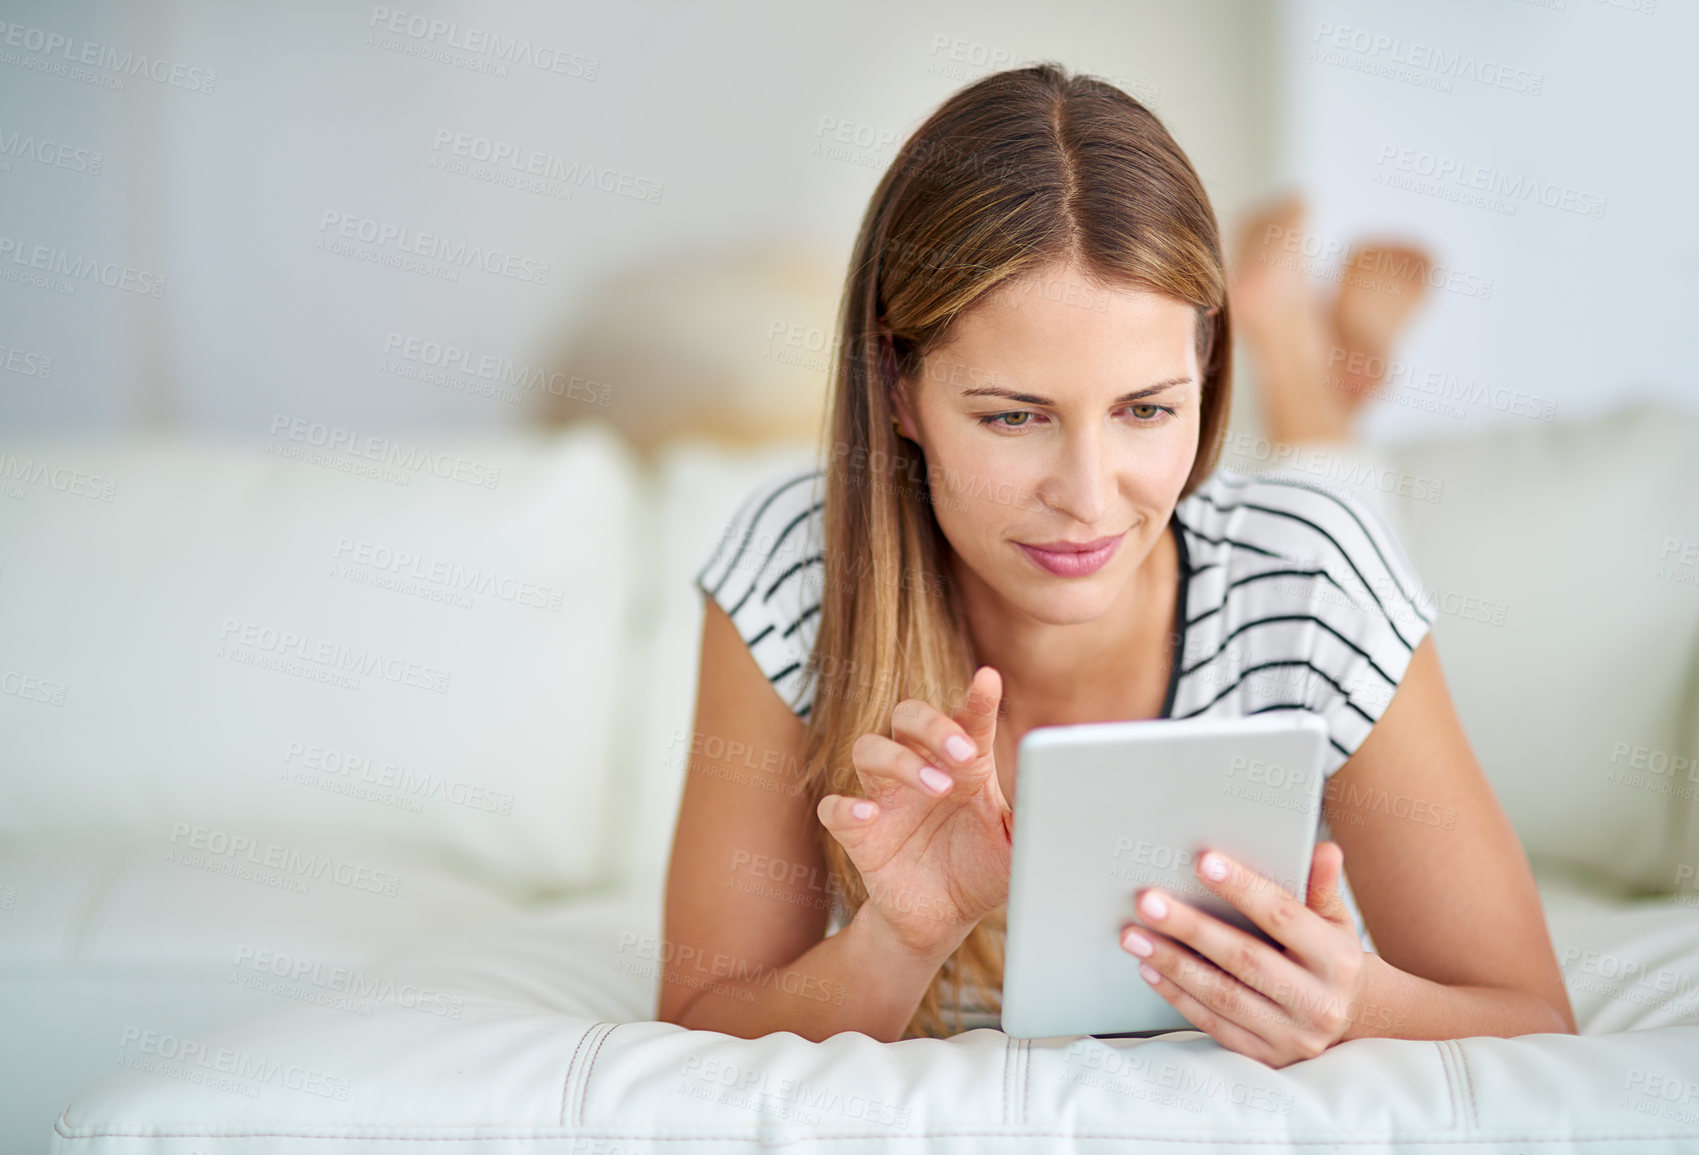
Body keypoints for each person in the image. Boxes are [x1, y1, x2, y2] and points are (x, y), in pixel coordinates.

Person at [659, 62, 1575, 1065]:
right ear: (897, 386)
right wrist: (900, 937)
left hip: (1293, 538)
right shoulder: (796, 569)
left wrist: (1355, 1006)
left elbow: (1528, 1017)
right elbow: (700, 1024)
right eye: (1015, 417)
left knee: (1333, 487)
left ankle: (1314, 366)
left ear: (1206, 375)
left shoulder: (1310, 577)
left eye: (1147, 410)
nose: (1090, 498)